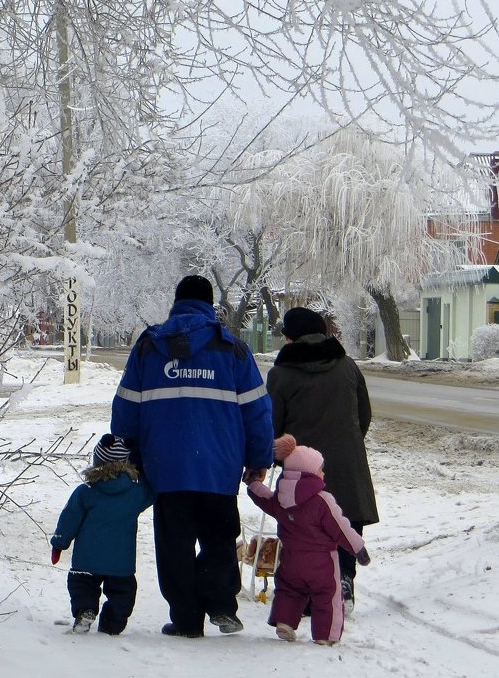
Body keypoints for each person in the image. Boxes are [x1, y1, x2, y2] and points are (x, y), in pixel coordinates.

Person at [111, 275, 273, 638]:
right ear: (210, 304)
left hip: (165, 467)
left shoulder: (149, 347)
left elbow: (125, 408)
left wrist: (127, 455)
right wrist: (259, 458)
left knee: (174, 545)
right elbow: (257, 410)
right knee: (219, 537)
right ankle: (219, 604)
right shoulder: (232, 350)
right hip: (219, 466)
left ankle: (186, 619)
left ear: (176, 301)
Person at [267, 306, 379, 613]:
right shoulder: (348, 367)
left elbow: (272, 427)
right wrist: (347, 443)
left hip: (301, 470)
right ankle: (344, 582)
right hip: (346, 462)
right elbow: (364, 414)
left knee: (304, 530)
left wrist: (282, 458)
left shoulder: (281, 375)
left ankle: (307, 596)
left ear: (290, 337)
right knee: (344, 520)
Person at [245, 434, 371, 645]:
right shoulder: (322, 500)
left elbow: (264, 498)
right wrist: (358, 548)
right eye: (320, 469)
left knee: (289, 590)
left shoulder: (282, 498)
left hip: (291, 560)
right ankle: (325, 636)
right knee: (327, 596)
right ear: (311, 473)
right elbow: (341, 527)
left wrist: (253, 483)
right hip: (321, 563)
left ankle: (284, 623)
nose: (323, 473)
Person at [50, 434, 156, 635]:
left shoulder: (86, 491)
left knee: (81, 584)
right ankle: (112, 624)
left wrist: (59, 543)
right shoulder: (136, 492)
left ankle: (85, 610)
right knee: (122, 593)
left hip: (86, 558)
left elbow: (69, 518)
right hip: (121, 562)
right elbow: (153, 493)